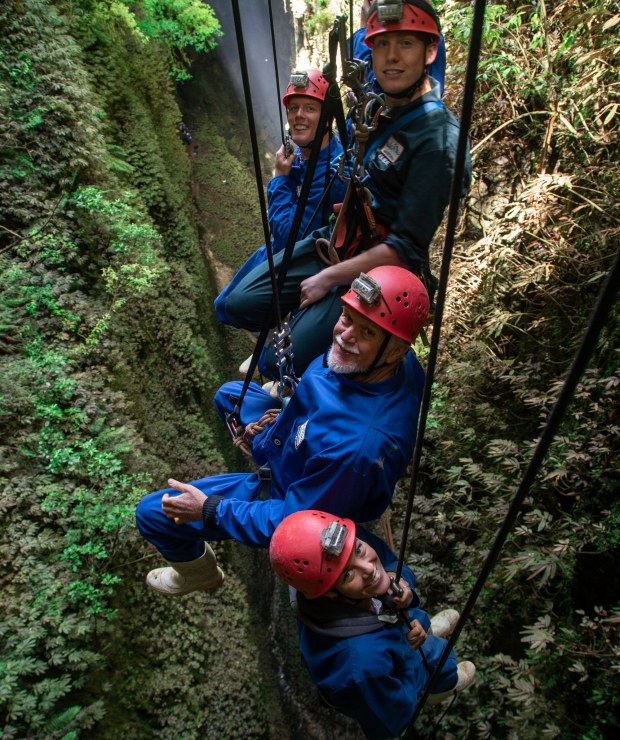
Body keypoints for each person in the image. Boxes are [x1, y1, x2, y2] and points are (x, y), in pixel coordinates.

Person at [135, 266, 429, 596]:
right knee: (230, 395)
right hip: (298, 437)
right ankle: (266, 448)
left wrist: (209, 509)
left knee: (153, 513)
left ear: (395, 350)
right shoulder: (395, 366)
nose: (345, 335)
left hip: (294, 488)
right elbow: (337, 396)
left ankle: (200, 575)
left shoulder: (354, 452)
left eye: (368, 333)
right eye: (347, 317)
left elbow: (291, 520)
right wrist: (289, 407)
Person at [222, 0, 470, 378]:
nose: (391, 58)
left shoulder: (437, 140)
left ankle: (308, 370)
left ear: (430, 50)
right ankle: (301, 329)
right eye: (382, 45)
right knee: (237, 304)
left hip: (377, 268)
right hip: (338, 237)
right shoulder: (379, 113)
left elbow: (405, 250)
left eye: (405, 45)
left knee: (275, 364)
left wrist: (327, 279)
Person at [270, 509, 477, 739]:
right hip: (377, 673)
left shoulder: (327, 562)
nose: (369, 569)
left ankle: (422, 631)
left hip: (381, 645)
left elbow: (389, 562)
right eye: (348, 575)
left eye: (359, 549)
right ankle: (443, 686)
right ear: (330, 595)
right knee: (435, 657)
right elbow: (393, 720)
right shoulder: (364, 663)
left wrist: (402, 586)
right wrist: (409, 651)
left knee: (415, 623)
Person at [214, 68, 348, 327]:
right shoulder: (304, 155)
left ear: (327, 117)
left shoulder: (330, 170)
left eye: (310, 108)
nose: (298, 115)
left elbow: (289, 238)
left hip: (304, 258)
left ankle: (281, 323)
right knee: (222, 305)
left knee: (231, 306)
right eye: (293, 107)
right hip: (285, 248)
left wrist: (279, 177)